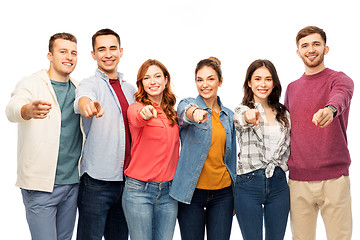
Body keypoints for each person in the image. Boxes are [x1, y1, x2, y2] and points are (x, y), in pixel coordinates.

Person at [5, 33, 82, 240]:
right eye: (63, 51)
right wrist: (27, 110)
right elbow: (12, 108)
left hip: (72, 184)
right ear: (50, 55)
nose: (69, 57)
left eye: (73, 53)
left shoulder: (79, 88)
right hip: (40, 187)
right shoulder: (31, 82)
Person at [284, 26, 354, 240]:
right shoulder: (291, 88)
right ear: (298, 52)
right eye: (305, 45)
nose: (311, 49)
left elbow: (340, 97)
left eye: (316, 44)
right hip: (298, 181)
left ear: (326, 48)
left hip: (334, 180)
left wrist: (330, 110)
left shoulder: (339, 79)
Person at [74, 28, 136, 240]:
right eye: (101, 49)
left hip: (128, 182)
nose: (108, 54)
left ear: (121, 51)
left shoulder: (131, 90)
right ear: (93, 54)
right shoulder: (89, 84)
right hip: (96, 183)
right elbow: (83, 99)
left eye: (112, 48)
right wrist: (88, 106)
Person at [170, 57, 236, 240]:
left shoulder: (228, 116)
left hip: (223, 194)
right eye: (200, 79)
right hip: (192, 194)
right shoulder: (187, 103)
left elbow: (231, 158)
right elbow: (185, 113)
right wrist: (196, 113)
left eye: (210, 79)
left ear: (220, 81)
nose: (204, 84)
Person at [122, 59, 179, 240]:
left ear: (166, 80)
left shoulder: (172, 113)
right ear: (141, 83)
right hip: (139, 191)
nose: (152, 81)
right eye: (146, 78)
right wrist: (145, 113)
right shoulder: (136, 107)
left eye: (157, 76)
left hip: (168, 193)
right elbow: (138, 117)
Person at [233, 59, 290, 240]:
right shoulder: (242, 110)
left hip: (279, 183)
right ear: (249, 83)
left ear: (274, 83)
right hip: (248, 183)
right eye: (257, 79)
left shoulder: (284, 113)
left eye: (268, 79)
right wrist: (250, 116)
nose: (263, 84)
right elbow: (241, 120)